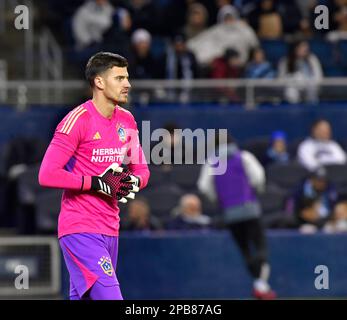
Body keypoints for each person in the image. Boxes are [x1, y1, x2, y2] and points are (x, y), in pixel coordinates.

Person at [38, 52, 150, 300]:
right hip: (80, 228)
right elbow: (47, 174)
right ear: (99, 82)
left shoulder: (127, 120)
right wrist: (97, 183)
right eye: (119, 78)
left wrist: (131, 182)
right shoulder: (77, 120)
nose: (128, 84)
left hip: (111, 228)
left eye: (127, 78)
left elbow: (141, 169)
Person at [198, 135, 277, 300]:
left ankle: (260, 286)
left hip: (230, 214)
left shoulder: (212, 162)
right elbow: (258, 176)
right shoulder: (244, 156)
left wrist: (219, 199)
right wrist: (255, 191)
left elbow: (204, 186)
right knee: (260, 248)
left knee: (245, 250)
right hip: (250, 210)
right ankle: (261, 285)